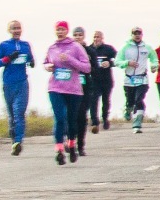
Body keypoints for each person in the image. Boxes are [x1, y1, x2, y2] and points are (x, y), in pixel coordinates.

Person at [43, 21, 90, 164]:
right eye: (58, 29)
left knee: (71, 119)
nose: (60, 32)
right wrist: (48, 66)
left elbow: (86, 68)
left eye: (62, 29)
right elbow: (46, 62)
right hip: (55, 88)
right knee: (59, 118)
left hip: (73, 90)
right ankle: (59, 150)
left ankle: (71, 144)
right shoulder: (52, 48)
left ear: (67, 31)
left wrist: (70, 60)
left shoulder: (76, 47)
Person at [0, 19, 34, 155]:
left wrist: (31, 62)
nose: (17, 30)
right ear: (9, 30)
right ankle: (13, 138)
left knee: (19, 113)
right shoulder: (4, 45)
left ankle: (18, 141)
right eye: (14, 28)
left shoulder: (25, 45)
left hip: (22, 83)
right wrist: (8, 58)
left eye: (18, 28)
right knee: (12, 115)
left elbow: (30, 59)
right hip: (8, 83)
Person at [117, 26, 153, 133]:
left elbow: (154, 59)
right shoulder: (125, 48)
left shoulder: (147, 48)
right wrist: (127, 63)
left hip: (142, 79)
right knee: (130, 101)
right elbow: (117, 61)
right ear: (131, 35)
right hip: (129, 80)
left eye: (139, 33)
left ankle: (137, 124)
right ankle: (128, 108)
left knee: (139, 100)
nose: (137, 36)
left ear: (142, 35)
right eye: (135, 34)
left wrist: (154, 66)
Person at [84, 30, 116, 133]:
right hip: (94, 80)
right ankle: (95, 122)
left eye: (98, 37)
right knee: (93, 101)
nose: (96, 39)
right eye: (94, 37)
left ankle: (105, 118)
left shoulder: (108, 49)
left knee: (106, 101)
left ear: (102, 38)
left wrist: (110, 63)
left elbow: (118, 59)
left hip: (106, 80)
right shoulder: (89, 49)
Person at [70, 27, 91, 156]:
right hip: (70, 88)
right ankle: (70, 141)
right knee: (70, 117)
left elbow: (94, 69)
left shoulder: (89, 51)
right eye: (75, 35)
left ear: (83, 36)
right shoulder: (69, 50)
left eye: (80, 35)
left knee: (81, 118)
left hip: (85, 89)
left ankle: (80, 145)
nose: (77, 37)